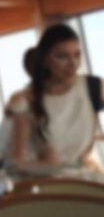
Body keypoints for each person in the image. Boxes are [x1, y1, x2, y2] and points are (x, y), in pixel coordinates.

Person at [8, 23, 103, 174]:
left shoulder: (94, 87)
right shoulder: (26, 100)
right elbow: (16, 163)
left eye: (77, 55)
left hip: (88, 177)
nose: (73, 64)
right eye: (62, 56)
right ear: (45, 60)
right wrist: (49, 165)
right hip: (51, 182)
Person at [0, 48, 36, 172]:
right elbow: (20, 155)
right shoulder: (23, 99)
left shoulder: (22, 96)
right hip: (6, 166)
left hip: (3, 162)